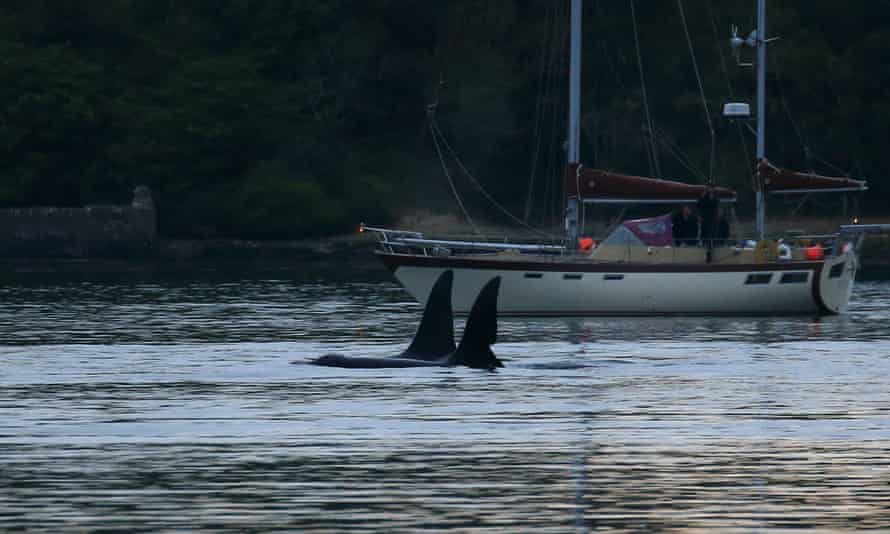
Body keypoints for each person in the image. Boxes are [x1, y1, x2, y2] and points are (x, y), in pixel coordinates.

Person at [697, 184, 719, 261]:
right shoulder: (704, 196)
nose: (709, 189)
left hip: (712, 220)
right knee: (704, 235)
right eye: (708, 188)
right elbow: (699, 204)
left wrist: (711, 196)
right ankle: (704, 249)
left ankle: (709, 253)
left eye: (710, 188)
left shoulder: (715, 196)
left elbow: (715, 204)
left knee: (710, 236)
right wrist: (702, 196)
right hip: (704, 220)